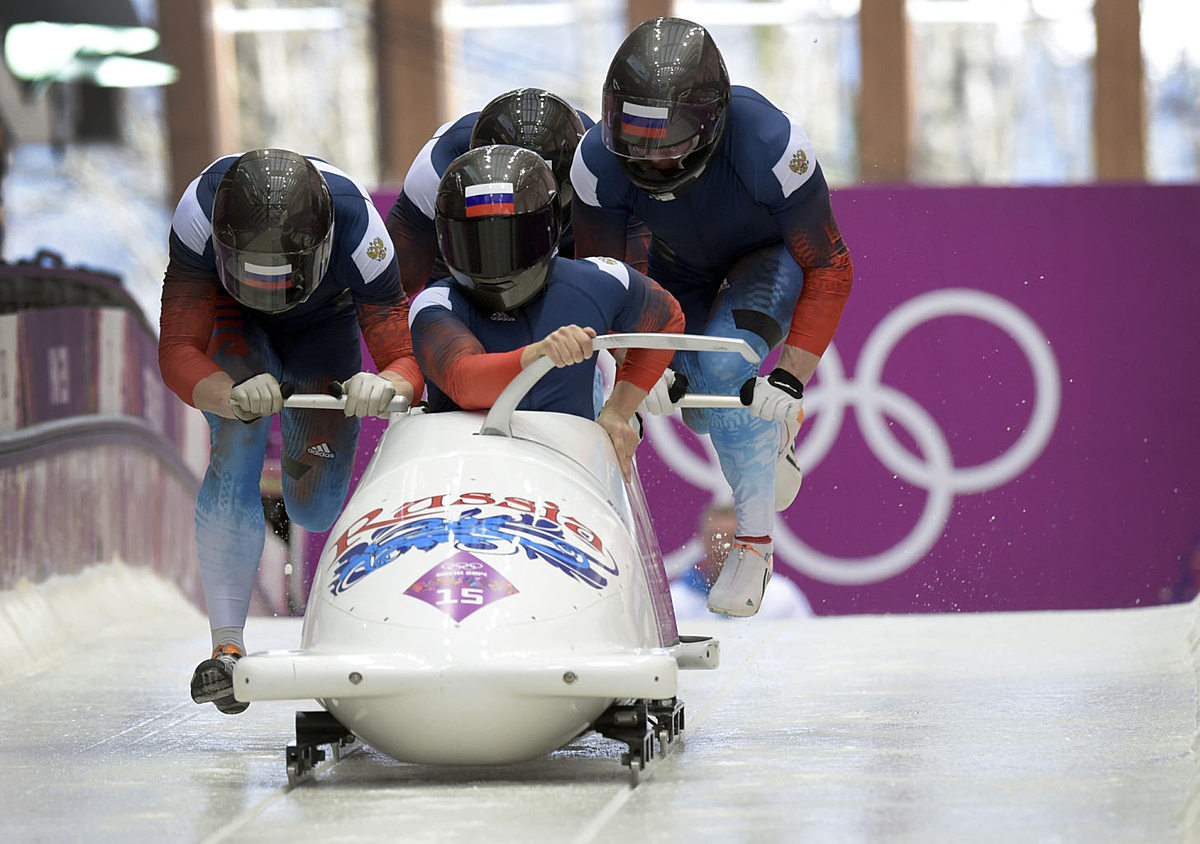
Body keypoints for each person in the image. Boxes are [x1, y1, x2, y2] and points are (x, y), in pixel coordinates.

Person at [570, 17, 854, 617]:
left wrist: (791, 377)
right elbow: (603, 279)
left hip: (766, 258)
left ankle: (754, 545)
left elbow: (830, 265)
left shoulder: (773, 144)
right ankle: (768, 439)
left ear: (713, 119)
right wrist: (637, 369)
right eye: (638, 138)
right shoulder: (594, 162)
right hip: (678, 269)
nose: (655, 157)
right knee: (701, 414)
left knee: (723, 373)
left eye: (670, 139)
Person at [158, 148, 423, 715]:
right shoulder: (199, 214)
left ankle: (290, 509)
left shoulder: (360, 231)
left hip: (323, 330)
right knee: (238, 436)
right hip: (233, 322)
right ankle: (226, 645)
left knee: (315, 509)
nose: (271, 293)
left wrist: (386, 387)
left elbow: (404, 359)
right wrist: (224, 396)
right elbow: (178, 351)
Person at [408, 144, 684, 480]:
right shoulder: (436, 304)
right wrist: (541, 353)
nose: (497, 263)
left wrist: (619, 410)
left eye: (513, 240)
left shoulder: (601, 280)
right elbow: (463, 380)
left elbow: (667, 318)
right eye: (477, 244)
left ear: (550, 227)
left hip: (569, 471)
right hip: (463, 471)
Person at [385, 87, 597, 299]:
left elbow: (614, 283)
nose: (532, 198)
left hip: (567, 240)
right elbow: (390, 296)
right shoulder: (433, 172)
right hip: (470, 252)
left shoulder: (595, 162)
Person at [670, 504, 812, 620]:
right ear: (702, 541)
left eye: (732, 538)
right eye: (715, 537)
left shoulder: (780, 595)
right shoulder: (675, 601)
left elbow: (804, 647)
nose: (723, 546)